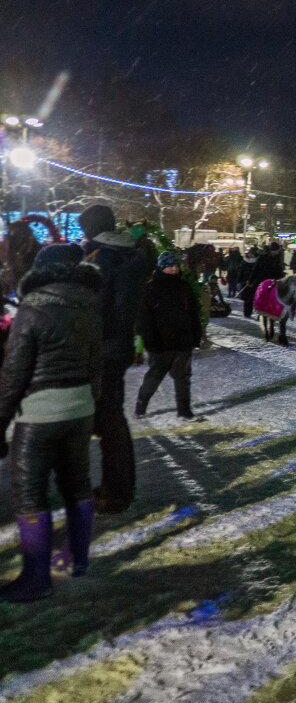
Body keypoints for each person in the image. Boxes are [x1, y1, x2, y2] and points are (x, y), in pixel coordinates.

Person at [0, 244, 103, 601]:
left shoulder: (33, 308)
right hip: (80, 407)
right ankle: (79, 559)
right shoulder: (90, 304)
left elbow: (14, 372)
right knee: (77, 484)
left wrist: (1, 419)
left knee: (30, 493)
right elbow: (96, 363)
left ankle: (36, 578)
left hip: (41, 412)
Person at [80, 204, 150, 514]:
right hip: (111, 347)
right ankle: (116, 487)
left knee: (109, 420)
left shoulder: (106, 258)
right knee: (109, 419)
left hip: (104, 349)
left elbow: (110, 307)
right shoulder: (121, 253)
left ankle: (116, 491)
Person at [135, 251, 203, 419]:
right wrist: (150, 342)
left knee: (183, 377)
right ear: (161, 267)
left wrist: (195, 335)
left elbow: (193, 313)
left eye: (176, 265)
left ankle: (184, 411)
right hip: (160, 343)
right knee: (155, 375)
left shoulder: (184, 287)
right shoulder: (150, 288)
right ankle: (141, 404)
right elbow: (144, 318)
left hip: (183, 341)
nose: (174, 269)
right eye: (170, 266)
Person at [244, 242, 285, 317]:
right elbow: (255, 269)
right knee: (253, 296)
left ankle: (263, 314)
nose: (278, 252)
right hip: (260, 280)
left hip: (272, 282)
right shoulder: (263, 257)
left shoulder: (277, 258)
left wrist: (281, 276)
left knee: (268, 299)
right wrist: (250, 280)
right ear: (273, 250)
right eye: (277, 250)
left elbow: (279, 269)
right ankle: (248, 312)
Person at [237, 247, 260, 317]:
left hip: (255, 283)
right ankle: (247, 313)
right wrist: (239, 280)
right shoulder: (244, 261)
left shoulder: (258, 262)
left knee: (256, 298)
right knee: (247, 299)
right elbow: (241, 271)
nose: (250, 254)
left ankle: (258, 313)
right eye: (249, 253)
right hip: (245, 282)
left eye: (251, 253)